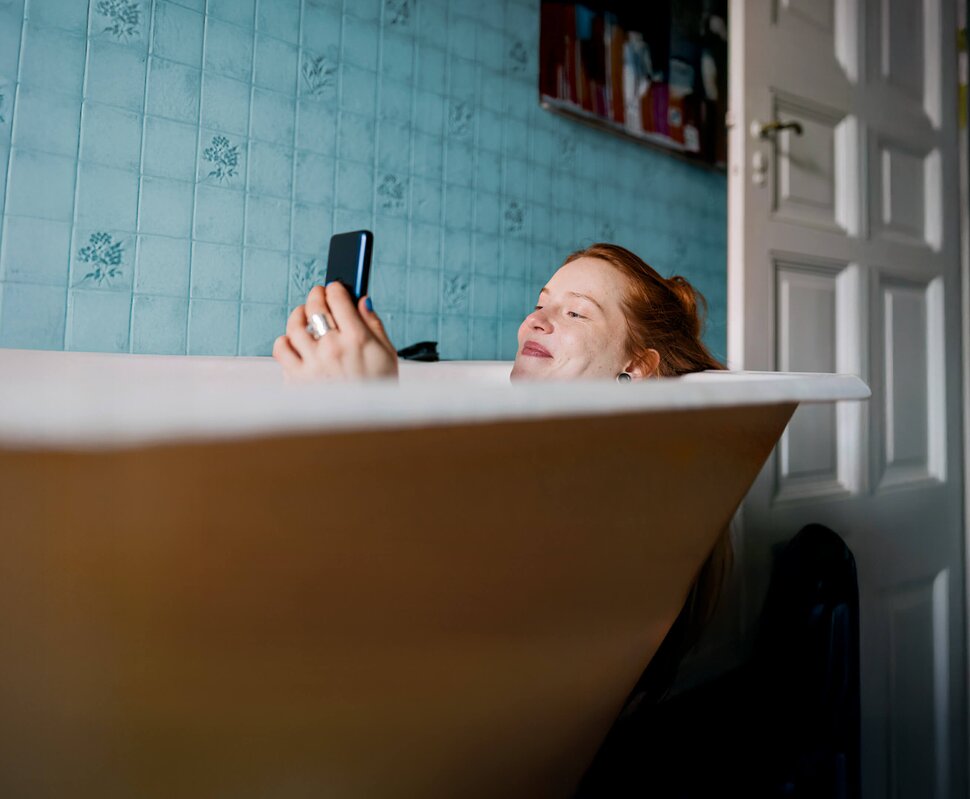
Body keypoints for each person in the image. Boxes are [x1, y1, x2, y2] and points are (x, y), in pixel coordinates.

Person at [273, 241, 732, 766]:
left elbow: (439, 639)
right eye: (540, 304)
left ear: (637, 367)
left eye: (575, 311)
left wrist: (361, 415)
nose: (536, 321)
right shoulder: (523, 463)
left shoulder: (629, 498)